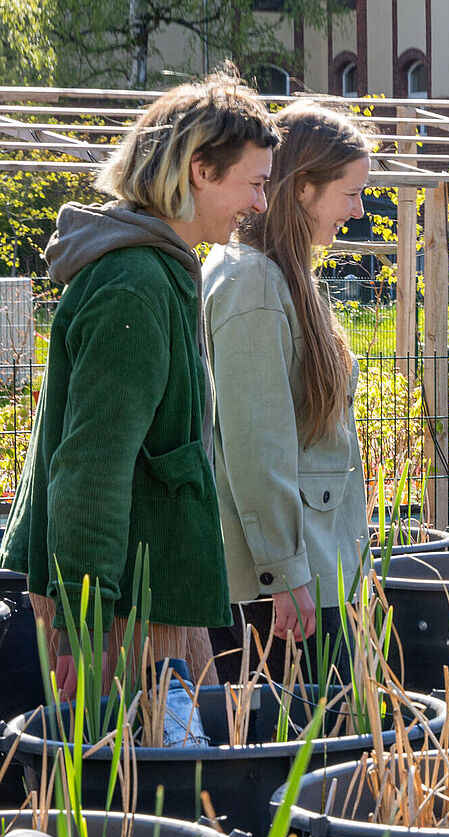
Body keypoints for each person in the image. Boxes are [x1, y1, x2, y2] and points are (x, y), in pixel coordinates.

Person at [0, 71, 279, 697]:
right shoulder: (134, 285)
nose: (261, 204)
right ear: (200, 171)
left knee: (181, 750)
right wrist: (85, 621)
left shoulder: (161, 271)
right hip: (119, 604)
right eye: (255, 183)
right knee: (129, 754)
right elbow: (91, 466)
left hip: (149, 590)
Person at [203, 100, 372, 683]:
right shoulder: (253, 282)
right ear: (302, 188)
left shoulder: (278, 274)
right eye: (350, 193)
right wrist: (284, 573)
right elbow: (256, 445)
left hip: (309, 567)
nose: (357, 211)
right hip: (281, 589)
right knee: (301, 730)